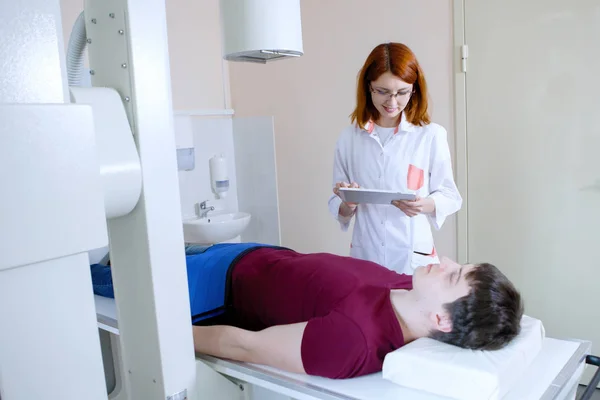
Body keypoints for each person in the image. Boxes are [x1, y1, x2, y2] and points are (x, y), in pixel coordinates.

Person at [91, 242, 524, 380]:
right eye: (458, 265)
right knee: (130, 246)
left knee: (92, 274)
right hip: (251, 252)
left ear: (442, 320)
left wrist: (154, 328)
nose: (444, 262)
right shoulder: (405, 286)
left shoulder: (353, 341)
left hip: (208, 288)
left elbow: (241, 344)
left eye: (452, 276)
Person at [328, 42, 463, 274]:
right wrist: (347, 204)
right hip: (366, 255)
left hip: (414, 258)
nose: (392, 102)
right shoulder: (349, 138)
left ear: (414, 89)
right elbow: (336, 203)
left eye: (402, 93)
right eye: (382, 91)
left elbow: (451, 196)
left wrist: (424, 205)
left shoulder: (430, 135)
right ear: (368, 87)